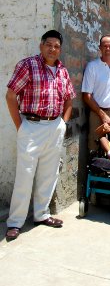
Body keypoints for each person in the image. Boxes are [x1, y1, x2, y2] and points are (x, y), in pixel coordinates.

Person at [5, 30, 76, 240]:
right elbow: (10, 95)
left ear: (60, 49)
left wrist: (63, 123)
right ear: (41, 45)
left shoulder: (62, 70)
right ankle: (15, 222)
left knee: (49, 173)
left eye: (56, 46)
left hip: (54, 126)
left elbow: (69, 99)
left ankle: (41, 214)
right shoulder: (27, 65)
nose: (52, 49)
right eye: (49, 44)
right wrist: (21, 127)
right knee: (25, 175)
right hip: (31, 126)